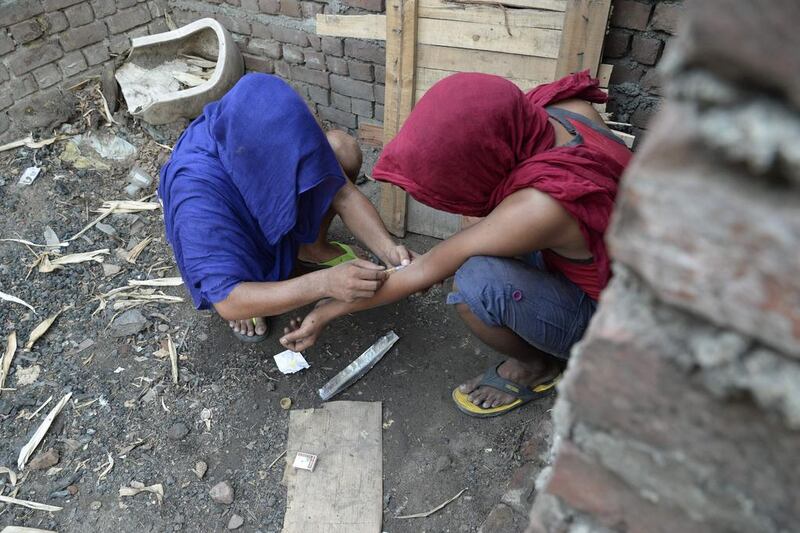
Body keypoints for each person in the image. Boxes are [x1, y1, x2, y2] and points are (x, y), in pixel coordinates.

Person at [279, 71, 633, 417]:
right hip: (621, 264)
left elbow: (425, 271)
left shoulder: (539, 208)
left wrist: (326, 310)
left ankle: (537, 367)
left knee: (474, 283)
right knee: (475, 233)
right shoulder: (563, 110)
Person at [158, 74, 413, 342]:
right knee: (232, 291)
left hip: (250, 176)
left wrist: (388, 249)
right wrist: (324, 283)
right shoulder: (197, 196)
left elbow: (343, 193)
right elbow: (227, 300)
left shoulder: (264, 113)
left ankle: (311, 247)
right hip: (230, 228)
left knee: (341, 149)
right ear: (262, 164)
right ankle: (249, 280)